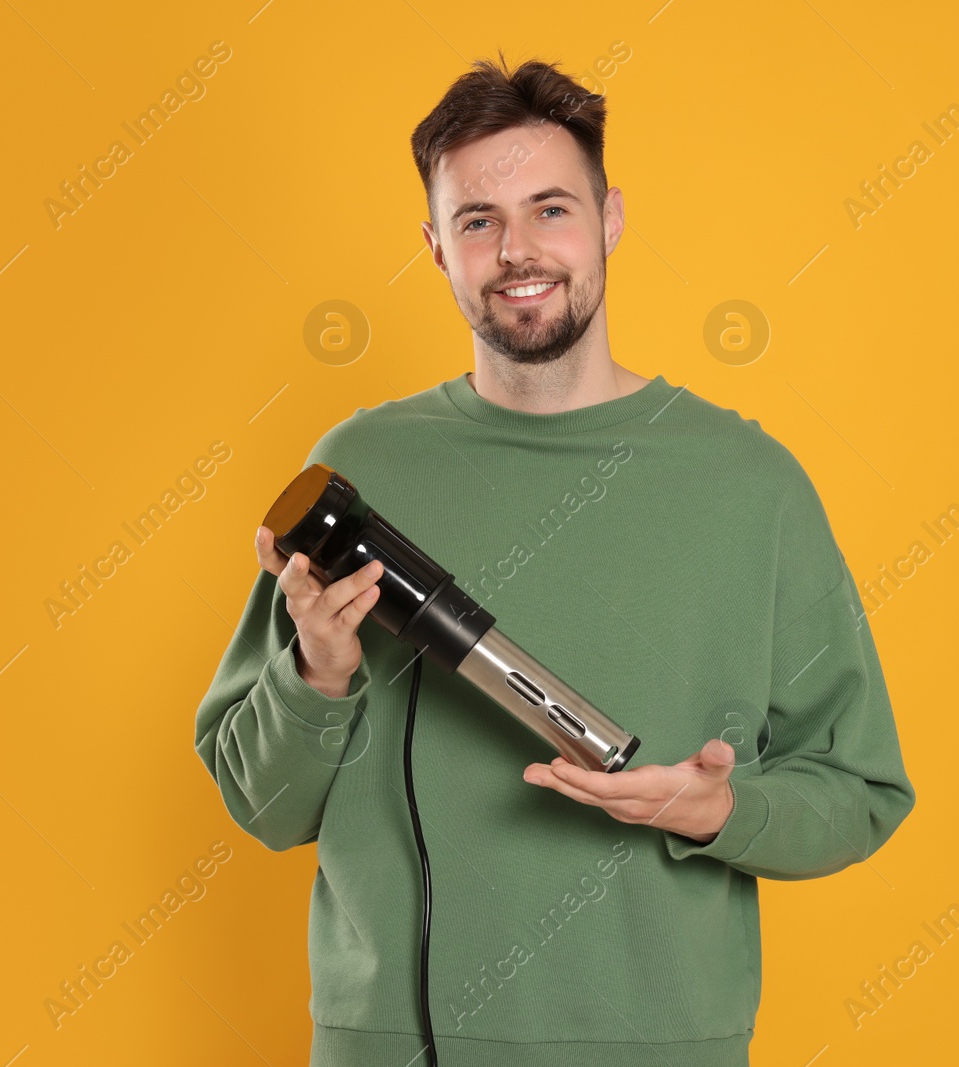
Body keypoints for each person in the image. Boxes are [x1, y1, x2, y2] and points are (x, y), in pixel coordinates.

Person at [194, 51, 916, 1067]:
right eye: (477, 220)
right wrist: (314, 675)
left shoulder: (749, 483)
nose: (516, 250)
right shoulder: (360, 470)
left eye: (550, 209)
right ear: (436, 248)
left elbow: (860, 789)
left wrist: (725, 810)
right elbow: (264, 809)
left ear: (609, 217)